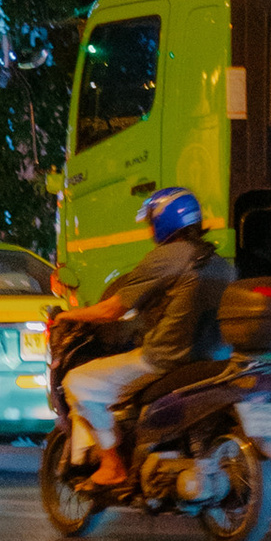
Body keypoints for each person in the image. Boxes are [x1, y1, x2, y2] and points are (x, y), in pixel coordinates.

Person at [50, 186, 234, 497]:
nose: (149, 229)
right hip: (213, 357)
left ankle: (112, 466)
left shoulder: (166, 257)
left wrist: (70, 316)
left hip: (164, 359)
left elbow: (112, 309)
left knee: (78, 382)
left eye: (151, 221)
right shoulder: (219, 262)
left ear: (163, 222)